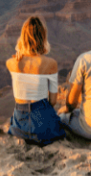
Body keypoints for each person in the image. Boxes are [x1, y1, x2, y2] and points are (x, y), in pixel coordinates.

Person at [5, 16, 66, 146]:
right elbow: (53, 101)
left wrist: (19, 52)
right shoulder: (50, 63)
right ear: (43, 37)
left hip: (19, 127)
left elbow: (21, 62)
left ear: (22, 37)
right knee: (61, 122)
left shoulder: (11, 63)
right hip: (42, 127)